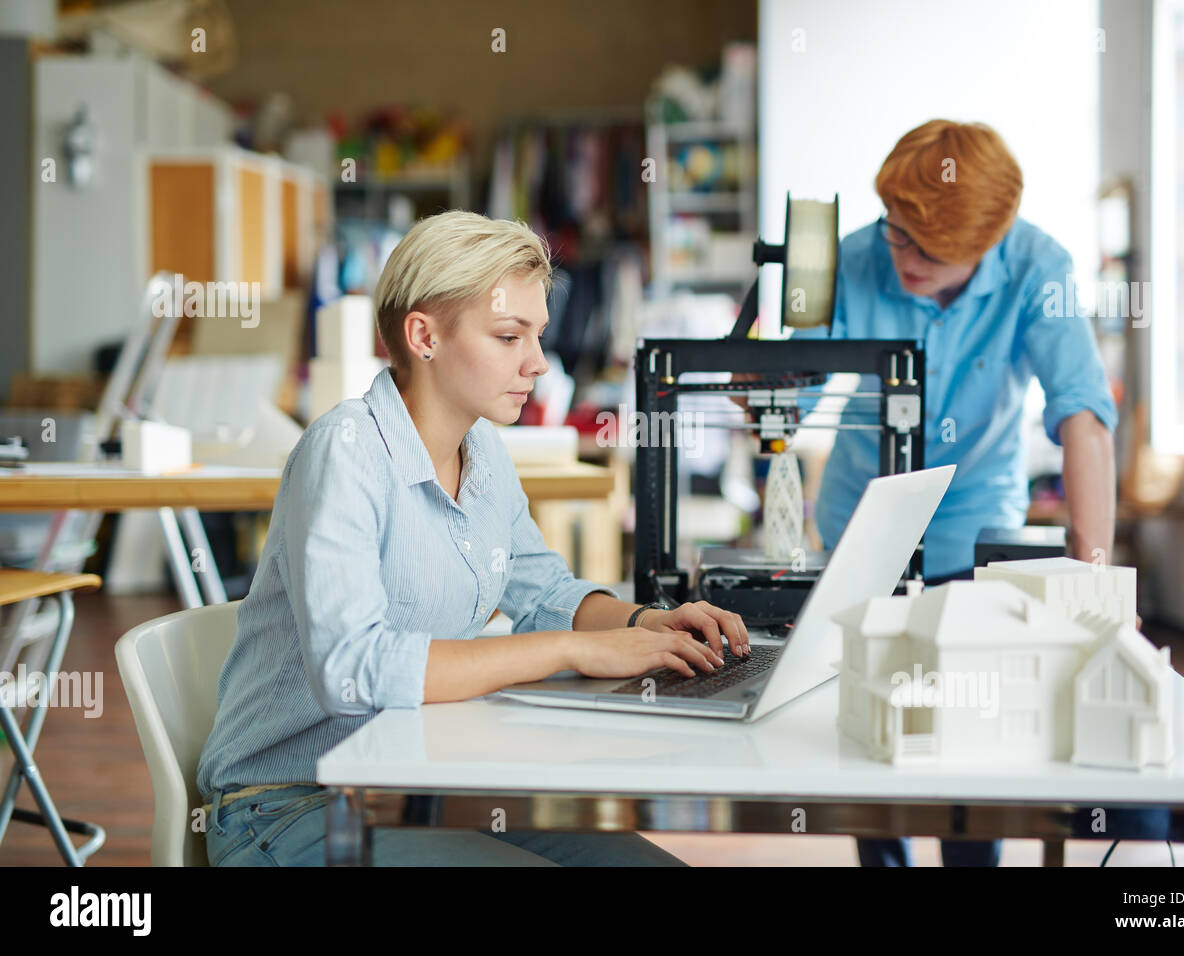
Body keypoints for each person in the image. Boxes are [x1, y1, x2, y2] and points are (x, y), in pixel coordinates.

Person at [197, 211, 751, 866]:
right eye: (509, 336)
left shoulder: (481, 448)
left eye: (537, 336)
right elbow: (354, 670)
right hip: (293, 802)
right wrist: (575, 649)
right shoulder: (345, 453)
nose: (540, 363)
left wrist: (648, 623)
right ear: (424, 335)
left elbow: (543, 589)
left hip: (420, 777)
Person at [791, 120, 1120, 866]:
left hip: (972, 524)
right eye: (895, 233)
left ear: (986, 241)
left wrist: (1094, 586)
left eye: (925, 249)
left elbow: (1084, 419)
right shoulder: (859, 257)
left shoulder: (1040, 268)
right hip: (862, 524)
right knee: (871, 732)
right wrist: (765, 345)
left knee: (970, 735)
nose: (900, 256)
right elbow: (790, 393)